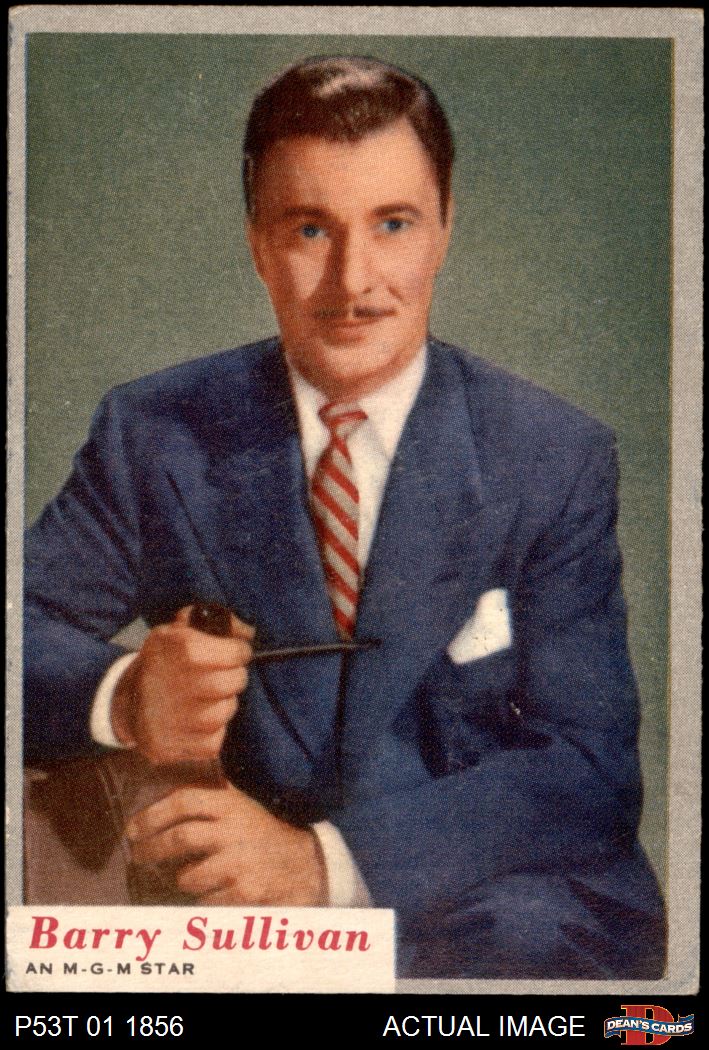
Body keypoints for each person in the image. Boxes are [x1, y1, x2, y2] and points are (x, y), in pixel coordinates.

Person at [24, 55, 665, 978]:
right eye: (309, 229)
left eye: (392, 224)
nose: (352, 280)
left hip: (499, 908)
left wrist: (320, 864)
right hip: (233, 923)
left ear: (444, 229)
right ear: (256, 243)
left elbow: (587, 768)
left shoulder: (552, 454)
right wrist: (127, 696)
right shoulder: (155, 431)